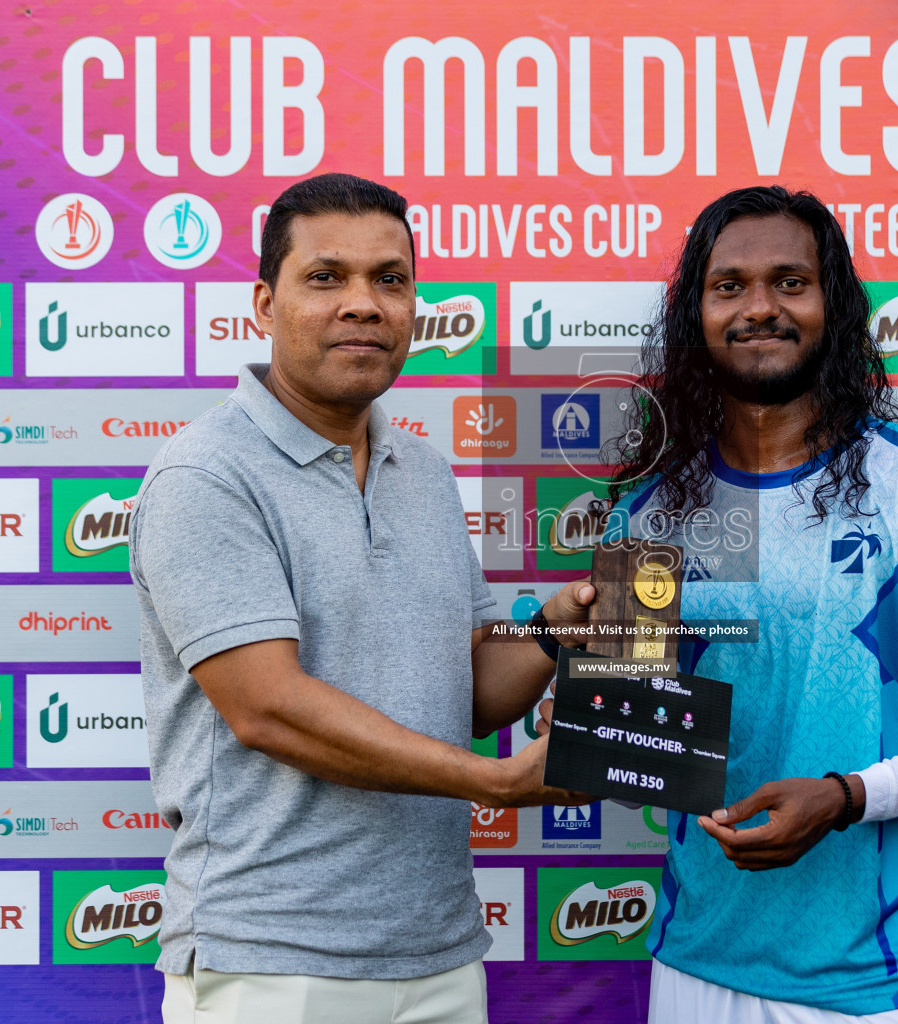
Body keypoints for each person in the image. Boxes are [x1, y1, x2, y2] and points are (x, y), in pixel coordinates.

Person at [130, 173, 591, 1024]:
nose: (365, 304)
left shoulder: (425, 474)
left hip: (440, 950)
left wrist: (553, 634)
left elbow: (468, 693)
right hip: (270, 963)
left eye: (390, 279)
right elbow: (271, 710)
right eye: (326, 277)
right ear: (264, 304)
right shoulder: (207, 474)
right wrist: (493, 783)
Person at [602, 186, 898, 1023]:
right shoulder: (650, 514)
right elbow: (636, 758)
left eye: (789, 282)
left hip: (877, 989)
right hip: (695, 971)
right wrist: (598, 724)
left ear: (834, 305)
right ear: (694, 315)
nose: (759, 307)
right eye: (728, 286)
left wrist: (846, 798)